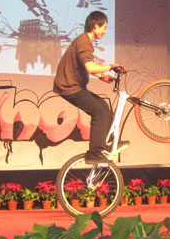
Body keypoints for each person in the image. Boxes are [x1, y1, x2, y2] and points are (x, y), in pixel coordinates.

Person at [53, 11, 125, 163]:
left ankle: (104, 145)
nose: (105, 31)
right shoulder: (84, 41)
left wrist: (102, 77)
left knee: (104, 107)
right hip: (69, 87)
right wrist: (111, 66)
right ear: (96, 26)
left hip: (73, 86)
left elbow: (85, 66)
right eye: (104, 27)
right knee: (100, 112)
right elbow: (90, 67)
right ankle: (94, 153)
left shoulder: (84, 41)